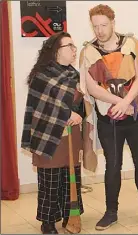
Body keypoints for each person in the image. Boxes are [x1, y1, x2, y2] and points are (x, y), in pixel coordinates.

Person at [79, 4, 138, 230]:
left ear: (113, 23)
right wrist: (117, 103)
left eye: (103, 25)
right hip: (109, 119)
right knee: (113, 166)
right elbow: (92, 87)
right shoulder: (88, 51)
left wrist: (127, 102)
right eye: (95, 26)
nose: (100, 31)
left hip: (136, 117)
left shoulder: (132, 44)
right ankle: (110, 212)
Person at [21, 31, 85, 234]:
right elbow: (43, 106)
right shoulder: (41, 75)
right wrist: (67, 114)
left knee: (70, 177)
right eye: (70, 46)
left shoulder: (74, 74)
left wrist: (79, 114)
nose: (75, 50)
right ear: (57, 50)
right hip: (48, 135)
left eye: (74, 46)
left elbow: (82, 102)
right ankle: (48, 221)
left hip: (71, 134)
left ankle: (69, 215)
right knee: (50, 179)